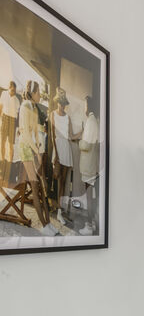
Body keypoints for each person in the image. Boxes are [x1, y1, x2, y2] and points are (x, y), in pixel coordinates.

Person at [15, 86, 48, 225]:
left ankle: (48, 224)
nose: (40, 95)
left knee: (41, 187)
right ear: (33, 93)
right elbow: (26, 134)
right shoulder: (26, 105)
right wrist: (36, 153)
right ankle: (44, 225)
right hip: (25, 148)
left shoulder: (34, 107)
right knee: (35, 186)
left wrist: (39, 148)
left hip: (32, 148)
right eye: (38, 92)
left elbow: (34, 132)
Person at [78, 95, 100, 234]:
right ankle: (92, 223)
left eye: (85, 105)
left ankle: (89, 226)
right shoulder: (93, 120)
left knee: (88, 197)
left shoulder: (91, 121)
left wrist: (79, 140)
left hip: (88, 166)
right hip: (92, 164)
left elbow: (85, 145)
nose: (84, 108)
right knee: (91, 196)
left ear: (89, 106)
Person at [51, 95, 74, 224]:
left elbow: (70, 136)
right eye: (61, 103)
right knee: (57, 180)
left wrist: (82, 132)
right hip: (58, 148)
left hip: (66, 148)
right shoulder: (52, 114)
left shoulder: (68, 117)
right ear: (57, 102)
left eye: (64, 103)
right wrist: (56, 155)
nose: (63, 106)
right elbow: (53, 135)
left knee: (63, 182)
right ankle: (57, 210)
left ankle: (60, 211)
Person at [1, 81, 18, 165]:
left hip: (13, 120)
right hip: (5, 118)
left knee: (11, 144)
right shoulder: (4, 94)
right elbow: (0, 107)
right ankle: (3, 160)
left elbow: (17, 115)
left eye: (15, 90)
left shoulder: (17, 100)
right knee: (3, 141)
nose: (13, 92)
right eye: (12, 90)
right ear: (9, 88)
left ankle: (10, 163)